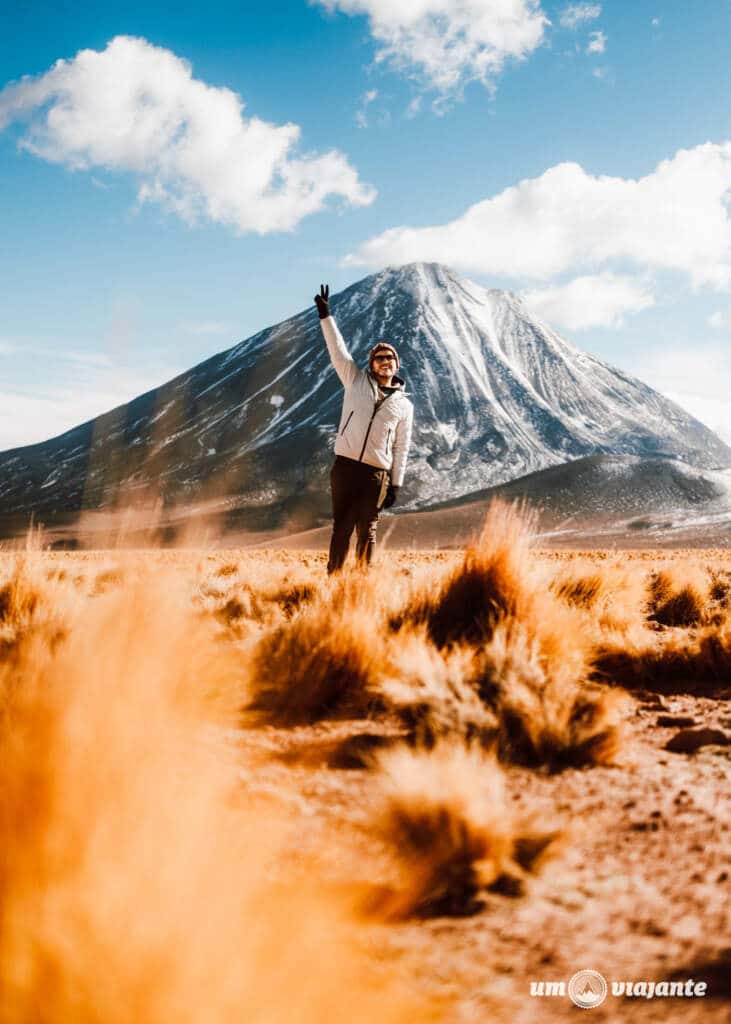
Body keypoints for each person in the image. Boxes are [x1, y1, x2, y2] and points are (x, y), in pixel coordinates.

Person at [314, 283, 414, 574]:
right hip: (345, 467)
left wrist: (395, 483)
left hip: (376, 474)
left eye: (390, 358)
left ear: (397, 366)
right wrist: (325, 315)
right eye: (380, 358)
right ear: (371, 364)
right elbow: (338, 350)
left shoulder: (405, 406)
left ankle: (361, 586)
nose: (385, 362)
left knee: (367, 530)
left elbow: (401, 446)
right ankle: (334, 581)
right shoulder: (355, 381)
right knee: (341, 528)